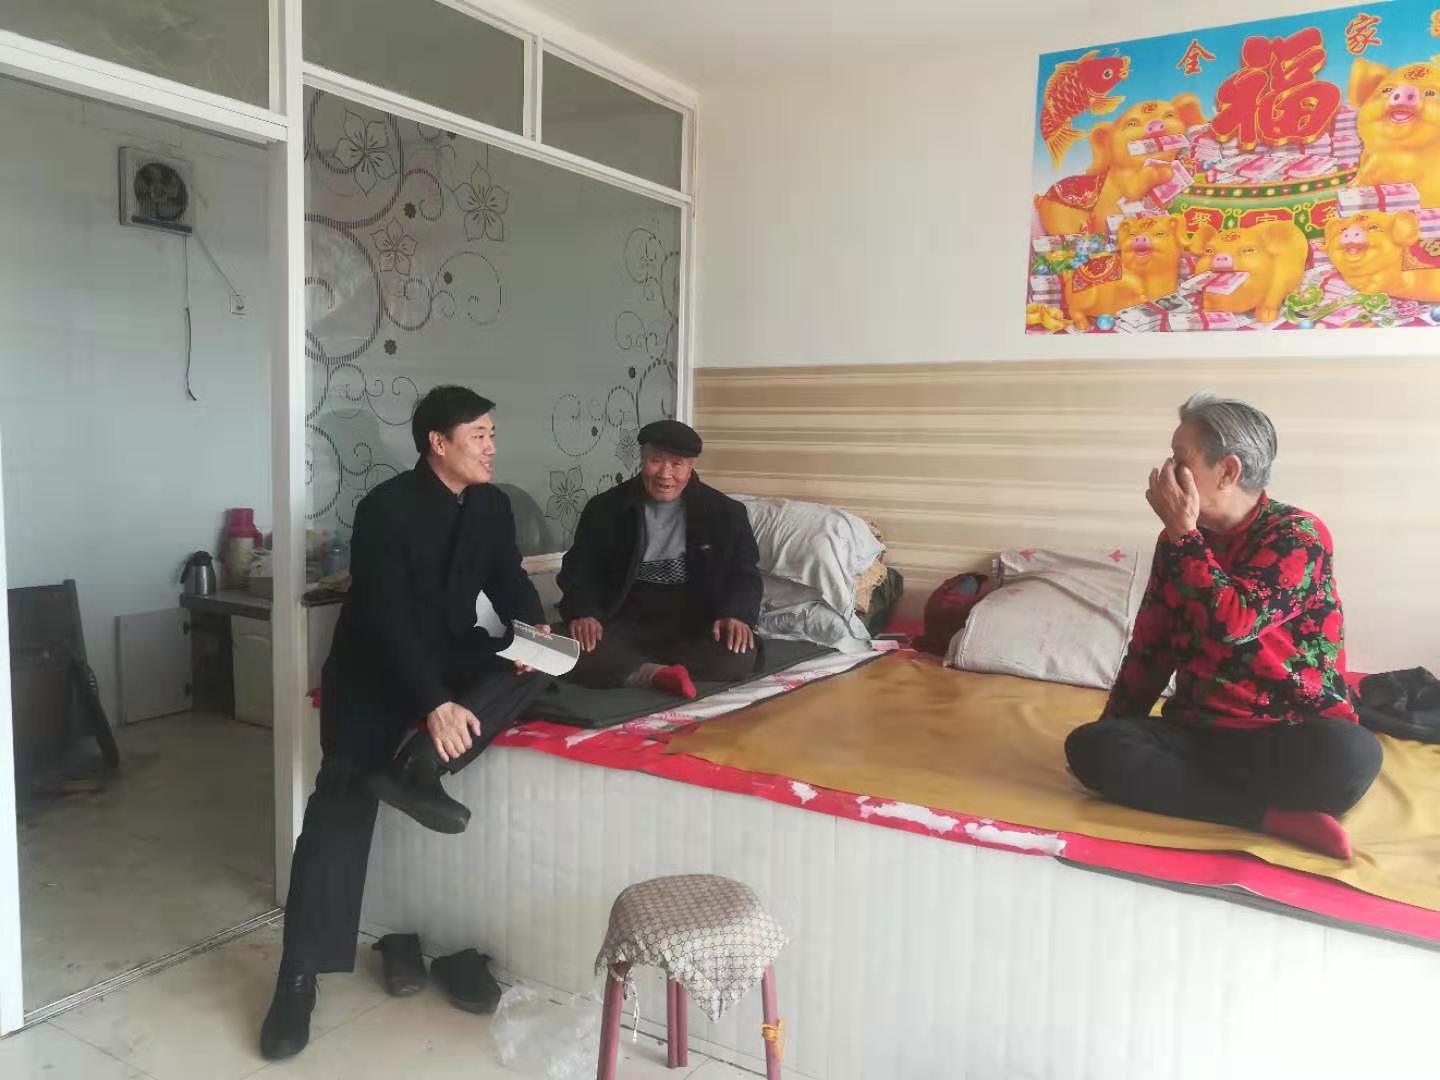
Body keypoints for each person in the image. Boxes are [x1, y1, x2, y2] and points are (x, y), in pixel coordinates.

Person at [260, 386, 551, 1061]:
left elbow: (508, 580)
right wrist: (434, 702)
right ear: (438, 444)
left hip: (446, 655)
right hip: (375, 669)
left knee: (533, 670)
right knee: (338, 808)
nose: (492, 446)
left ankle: (419, 767)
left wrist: (536, 630)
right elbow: (385, 617)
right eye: (478, 435)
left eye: (492, 433)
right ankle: (295, 980)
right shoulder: (385, 509)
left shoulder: (491, 504)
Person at [1065, 392, 1381, 859]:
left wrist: (1183, 536)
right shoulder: (1177, 542)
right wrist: (1112, 732)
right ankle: (1271, 817)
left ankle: (1199, 792)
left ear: (1228, 471)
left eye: (1180, 459)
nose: (1166, 472)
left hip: (1287, 733)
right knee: (1091, 747)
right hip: (1201, 733)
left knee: (1352, 756)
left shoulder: (1298, 535)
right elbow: (1152, 645)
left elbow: (1233, 623)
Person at [557, 419, 762, 699]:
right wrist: (583, 612)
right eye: (655, 461)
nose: (665, 474)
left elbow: (744, 572)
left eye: (677, 464)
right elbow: (578, 569)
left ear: (691, 467)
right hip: (622, 618)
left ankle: (628, 667)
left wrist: (736, 614)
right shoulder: (605, 508)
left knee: (738, 654)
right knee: (551, 644)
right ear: (643, 459)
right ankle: (654, 674)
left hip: (693, 623)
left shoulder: (725, 512)